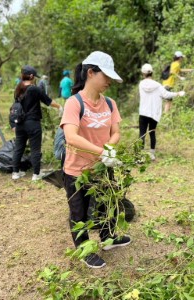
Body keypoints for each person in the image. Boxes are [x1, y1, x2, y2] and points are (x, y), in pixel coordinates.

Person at [60, 51, 130, 269]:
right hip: (77, 170)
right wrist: (102, 152)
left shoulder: (110, 103)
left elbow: (116, 132)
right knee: (79, 212)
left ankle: (108, 239)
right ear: (91, 73)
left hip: (102, 167)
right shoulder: (74, 103)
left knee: (108, 204)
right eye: (105, 76)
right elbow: (71, 137)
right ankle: (85, 249)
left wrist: (108, 150)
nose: (109, 81)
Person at [12, 65, 63, 181]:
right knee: (35, 148)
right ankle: (36, 174)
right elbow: (48, 101)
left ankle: (15, 173)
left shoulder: (17, 88)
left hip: (20, 123)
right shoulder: (34, 89)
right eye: (34, 76)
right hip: (32, 123)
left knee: (19, 147)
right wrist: (60, 107)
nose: (35, 78)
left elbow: (15, 107)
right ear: (31, 76)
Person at [139, 63, 185, 160]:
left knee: (142, 133)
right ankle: (152, 154)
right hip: (154, 113)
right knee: (152, 132)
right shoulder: (157, 85)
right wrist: (178, 93)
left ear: (143, 73)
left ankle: (140, 155)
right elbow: (166, 95)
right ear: (152, 73)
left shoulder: (141, 84)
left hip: (143, 112)